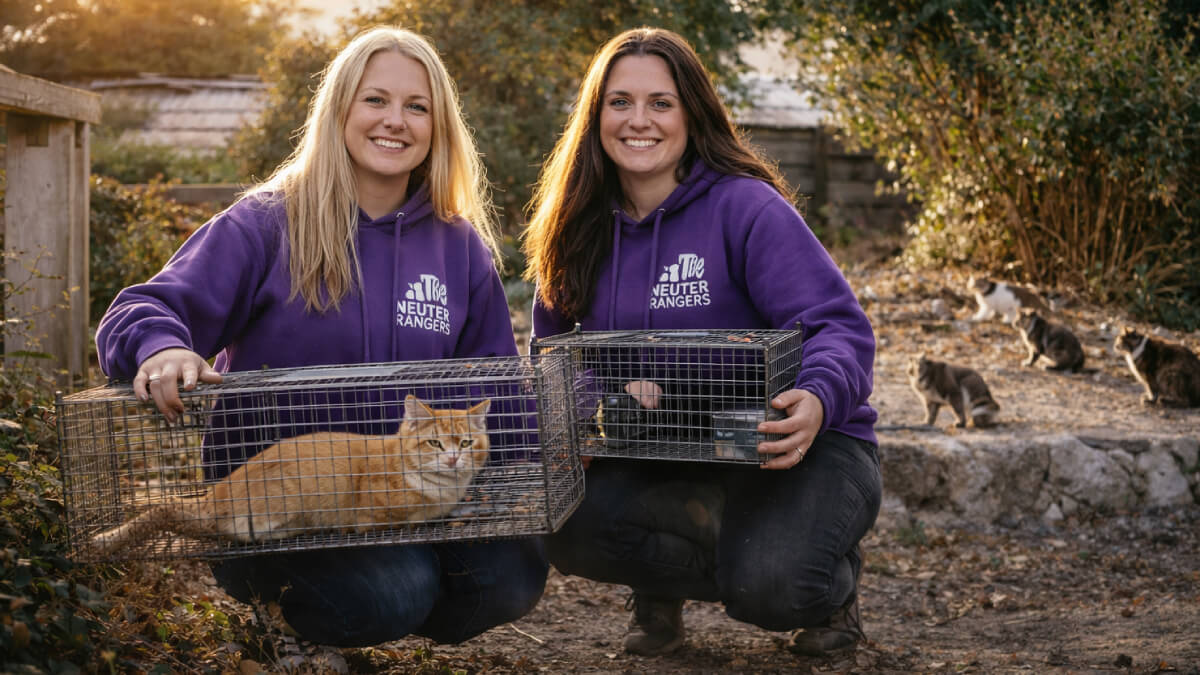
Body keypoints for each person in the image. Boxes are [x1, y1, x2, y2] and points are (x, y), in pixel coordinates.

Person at [96, 26, 547, 648]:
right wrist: (163, 346)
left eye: (417, 107)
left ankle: (374, 603)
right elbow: (143, 306)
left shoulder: (457, 245)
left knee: (512, 575)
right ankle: (292, 625)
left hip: (406, 497)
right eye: (376, 100)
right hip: (286, 509)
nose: (396, 121)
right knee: (393, 592)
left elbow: (494, 374)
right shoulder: (266, 222)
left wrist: (531, 476)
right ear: (338, 110)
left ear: (438, 127)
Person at [522, 27, 881, 657]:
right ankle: (667, 583)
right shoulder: (574, 226)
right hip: (662, 450)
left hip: (785, 445)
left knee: (776, 588)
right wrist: (595, 399)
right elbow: (554, 353)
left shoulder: (747, 208)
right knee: (566, 525)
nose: (640, 120)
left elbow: (838, 327)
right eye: (620, 102)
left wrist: (820, 399)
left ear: (692, 112)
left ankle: (823, 577)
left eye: (661, 102)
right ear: (595, 116)